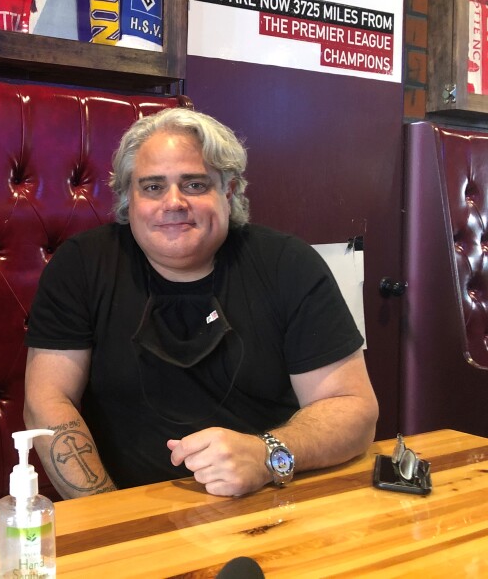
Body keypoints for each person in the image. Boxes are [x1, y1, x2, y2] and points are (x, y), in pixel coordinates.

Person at [24, 107, 378, 499]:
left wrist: (266, 455)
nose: (173, 203)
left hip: (267, 502)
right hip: (122, 506)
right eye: (153, 187)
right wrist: (107, 518)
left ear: (228, 191)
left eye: (194, 185)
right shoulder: (82, 265)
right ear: (129, 198)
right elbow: (46, 402)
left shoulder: (288, 264)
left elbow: (353, 409)